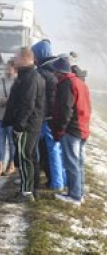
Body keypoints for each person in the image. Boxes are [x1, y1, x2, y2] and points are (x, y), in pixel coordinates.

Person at [2, 47, 46, 203]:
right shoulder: (26, 75)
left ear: (25, 58)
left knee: (24, 157)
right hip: (30, 124)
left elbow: (27, 104)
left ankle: (27, 192)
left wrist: (19, 125)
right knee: (30, 157)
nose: (14, 59)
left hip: (27, 126)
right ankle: (30, 189)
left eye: (16, 56)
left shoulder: (31, 78)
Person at [51, 56, 92, 207]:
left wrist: (60, 130)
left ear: (59, 71)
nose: (54, 74)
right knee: (79, 163)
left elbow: (64, 110)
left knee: (72, 163)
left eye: (55, 71)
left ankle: (74, 196)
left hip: (71, 130)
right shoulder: (80, 83)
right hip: (83, 128)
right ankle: (79, 193)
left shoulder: (66, 84)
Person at [32, 39, 65, 191]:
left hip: (45, 118)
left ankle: (56, 183)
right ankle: (58, 181)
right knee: (55, 151)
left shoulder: (41, 73)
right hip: (53, 116)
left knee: (48, 151)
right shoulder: (53, 70)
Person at [0, 60, 17, 177]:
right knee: (0, 142)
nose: (7, 71)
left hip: (12, 117)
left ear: (15, 69)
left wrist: (10, 102)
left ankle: (11, 165)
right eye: (6, 68)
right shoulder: (0, 80)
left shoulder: (18, 81)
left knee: (12, 142)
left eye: (10, 68)